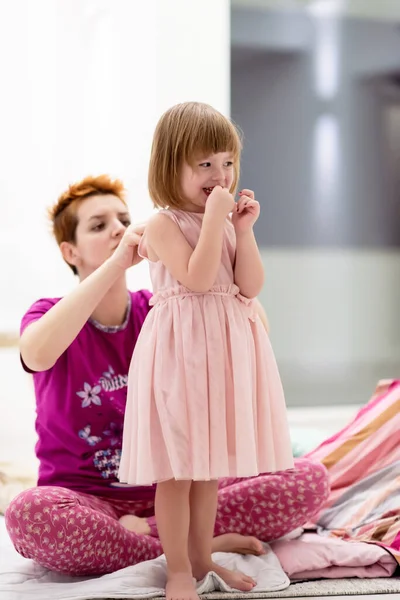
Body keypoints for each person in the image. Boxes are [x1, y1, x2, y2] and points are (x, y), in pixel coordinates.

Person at [5, 174, 329, 578]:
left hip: (182, 487)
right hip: (90, 501)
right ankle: (195, 545)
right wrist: (118, 261)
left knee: (308, 478)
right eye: (99, 224)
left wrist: (224, 235)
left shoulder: (164, 308)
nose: (119, 228)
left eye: (123, 219)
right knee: (28, 514)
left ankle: (171, 541)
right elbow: (36, 355)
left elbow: (255, 325)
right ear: (69, 251)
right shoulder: (49, 311)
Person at [118, 102, 295, 600]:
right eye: (205, 165)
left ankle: (201, 557)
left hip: (223, 355)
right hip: (180, 356)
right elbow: (195, 280)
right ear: (169, 167)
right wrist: (217, 219)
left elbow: (249, 286)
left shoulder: (224, 220)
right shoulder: (162, 223)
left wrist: (244, 230)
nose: (221, 175)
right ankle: (178, 568)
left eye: (228, 162)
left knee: (208, 467)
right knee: (177, 470)